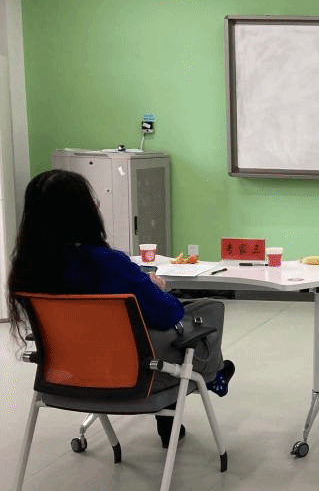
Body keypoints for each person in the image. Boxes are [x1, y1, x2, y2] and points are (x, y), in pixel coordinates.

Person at [5, 169, 235, 449]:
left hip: (67, 375)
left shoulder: (27, 272)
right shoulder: (107, 264)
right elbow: (168, 314)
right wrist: (154, 287)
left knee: (138, 326)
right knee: (203, 311)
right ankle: (213, 373)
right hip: (130, 375)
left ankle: (208, 378)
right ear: (83, 213)